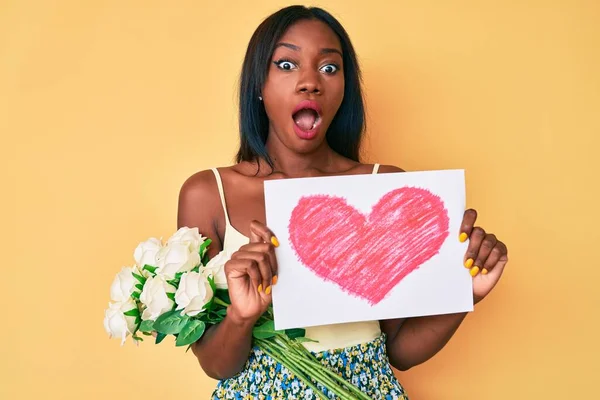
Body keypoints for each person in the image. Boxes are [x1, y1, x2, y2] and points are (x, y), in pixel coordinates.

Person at [176, 5, 508, 399]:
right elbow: (216, 365)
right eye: (286, 64)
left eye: (329, 68)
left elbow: (399, 350)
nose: (310, 82)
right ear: (257, 86)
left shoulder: (385, 186)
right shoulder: (207, 194)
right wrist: (241, 316)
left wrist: (465, 293)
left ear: (344, 89)